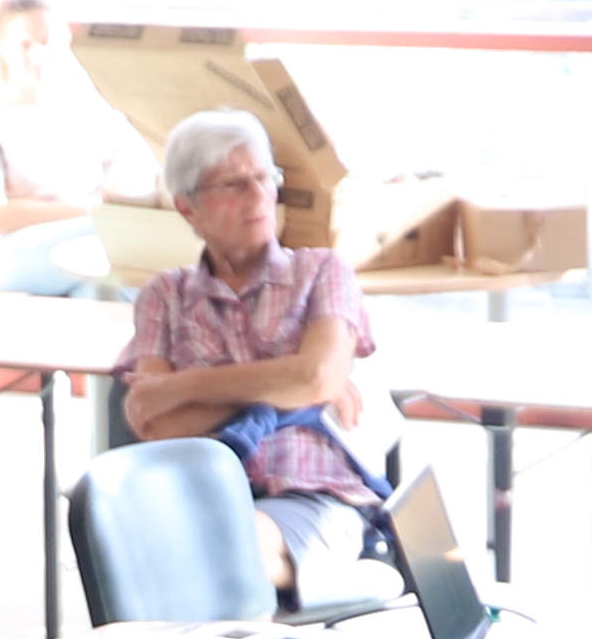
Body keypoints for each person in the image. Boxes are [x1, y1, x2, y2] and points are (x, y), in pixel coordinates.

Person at [118, 107, 391, 602]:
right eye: (234, 184)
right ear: (188, 208)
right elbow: (160, 426)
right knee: (157, 547)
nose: (259, 195)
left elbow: (316, 377)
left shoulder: (323, 273)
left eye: (265, 177)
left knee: (220, 552)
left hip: (311, 494)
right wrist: (279, 389)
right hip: (198, 495)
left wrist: (182, 387)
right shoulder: (165, 296)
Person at [0, 0, 154, 293]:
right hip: (16, 251)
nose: (37, 53)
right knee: (124, 237)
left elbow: (133, 148)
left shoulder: (77, 107)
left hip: (79, 239)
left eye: (45, 41)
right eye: (25, 45)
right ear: (4, 48)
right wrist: (90, 209)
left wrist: (116, 183)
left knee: (104, 290)